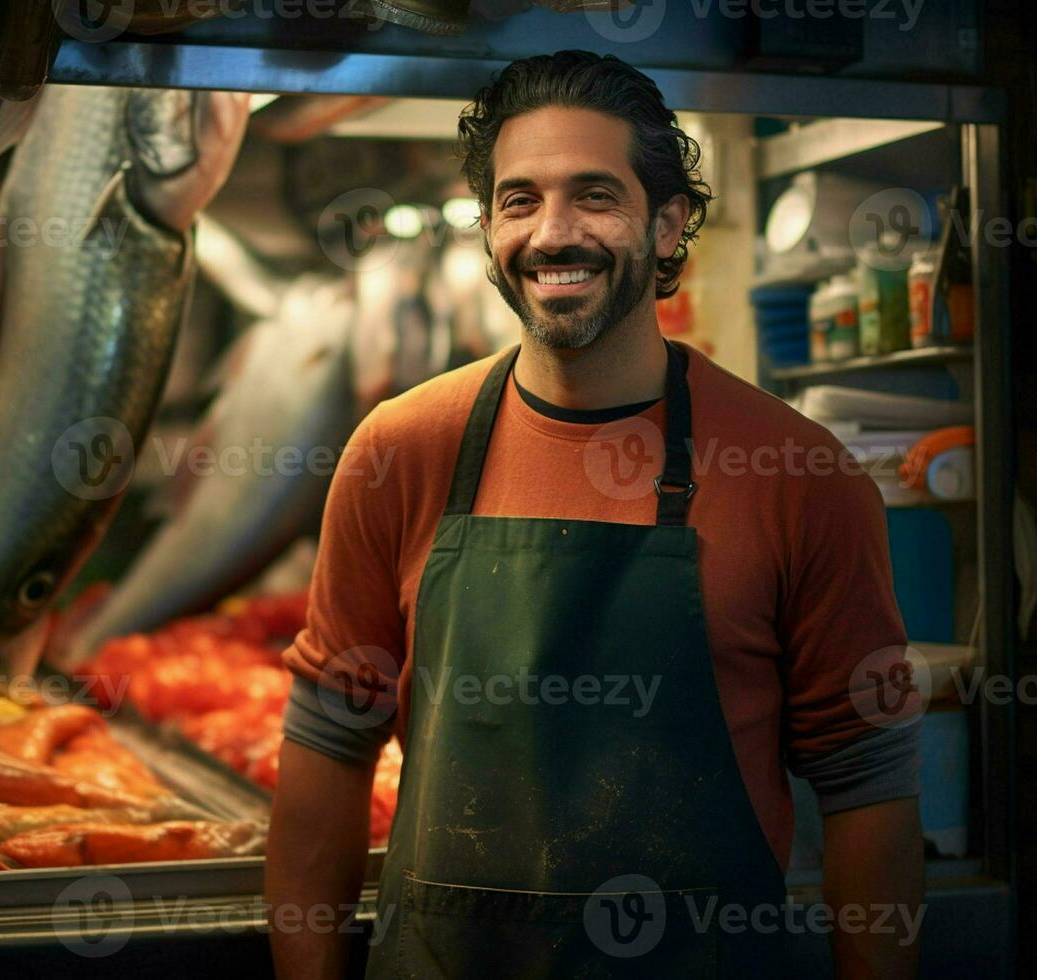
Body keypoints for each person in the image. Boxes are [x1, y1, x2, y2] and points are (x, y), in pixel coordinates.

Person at [266, 50, 924, 979]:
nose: (552, 234)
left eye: (595, 196)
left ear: (668, 224)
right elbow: (330, 746)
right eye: (518, 200)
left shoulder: (802, 475)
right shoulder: (398, 452)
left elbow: (868, 789)